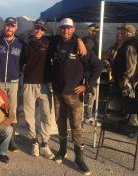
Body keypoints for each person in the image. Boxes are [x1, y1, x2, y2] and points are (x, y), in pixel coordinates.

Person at [22, 19, 87, 160]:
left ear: (45, 31)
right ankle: (34, 141)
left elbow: (68, 34)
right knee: (29, 116)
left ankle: (44, 143)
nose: (39, 30)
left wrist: (79, 40)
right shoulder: (25, 42)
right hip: (29, 83)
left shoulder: (50, 42)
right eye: (37, 28)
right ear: (34, 28)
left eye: (42, 29)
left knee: (47, 115)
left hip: (45, 83)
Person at [52, 18, 102, 175]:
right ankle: (62, 150)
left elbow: (98, 65)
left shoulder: (80, 46)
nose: (65, 31)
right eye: (62, 28)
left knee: (76, 127)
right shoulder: (56, 42)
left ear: (73, 29)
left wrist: (87, 86)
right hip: (58, 93)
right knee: (60, 122)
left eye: (68, 28)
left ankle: (79, 158)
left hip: (74, 95)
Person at [0, 17, 25, 152]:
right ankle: (0, 137)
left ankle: (11, 140)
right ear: (4, 26)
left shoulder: (21, 43)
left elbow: (23, 61)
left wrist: (17, 72)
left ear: (16, 28)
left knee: (12, 111)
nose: (9, 28)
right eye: (7, 26)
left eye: (12, 26)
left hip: (13, 82)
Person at [112, 24, 138, 134]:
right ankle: (128, 120)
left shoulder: (130, 45)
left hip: (129, 79)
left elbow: (132, 64)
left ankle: (133, 125)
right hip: (130, 78)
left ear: (127, 33)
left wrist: (126, 78)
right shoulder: (129, 44)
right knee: (128, 99)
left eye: (122, 32)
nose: (120, 34)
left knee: (130, 99)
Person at [82, 23, 100, 124]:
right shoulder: (89, 41)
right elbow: (87, 56)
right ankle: (88, 115)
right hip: (89, 71)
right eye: (95, 31)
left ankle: (87, 114)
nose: (97, 33)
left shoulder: (91, 40)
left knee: (90, 93)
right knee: (91, 93)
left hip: (89, 70)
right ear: (90, 31)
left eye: (97, 32)